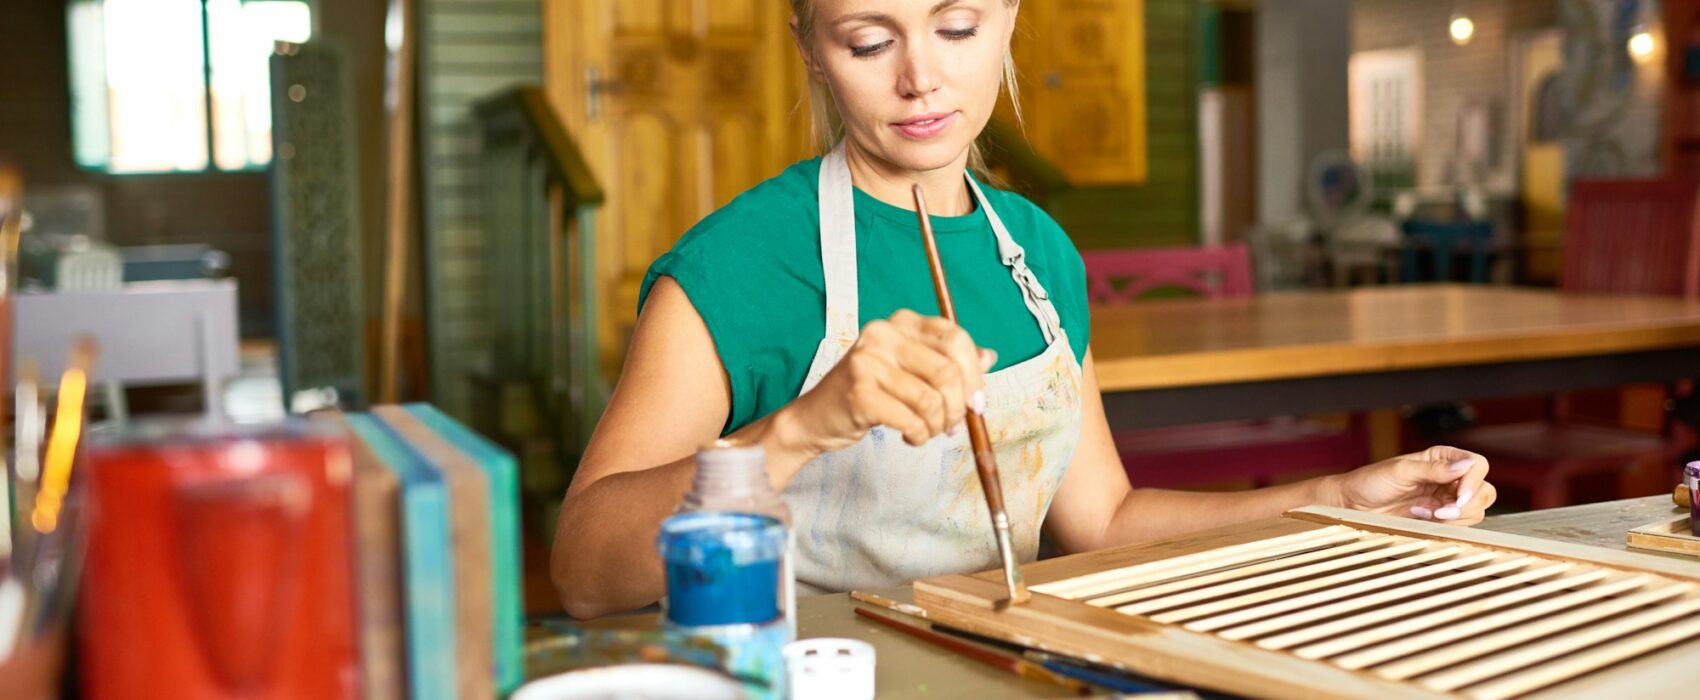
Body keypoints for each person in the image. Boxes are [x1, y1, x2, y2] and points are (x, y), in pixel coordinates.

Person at [551, 0, 1495, 619]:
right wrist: (797, 431)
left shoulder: (1038, 252)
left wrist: (1340, 503)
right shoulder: (738, 265)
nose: (920, 78)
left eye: (956, 26)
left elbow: (1104, 520)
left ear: (1008, 16)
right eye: (870, 41)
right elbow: (585, 572)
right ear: (810, 46)